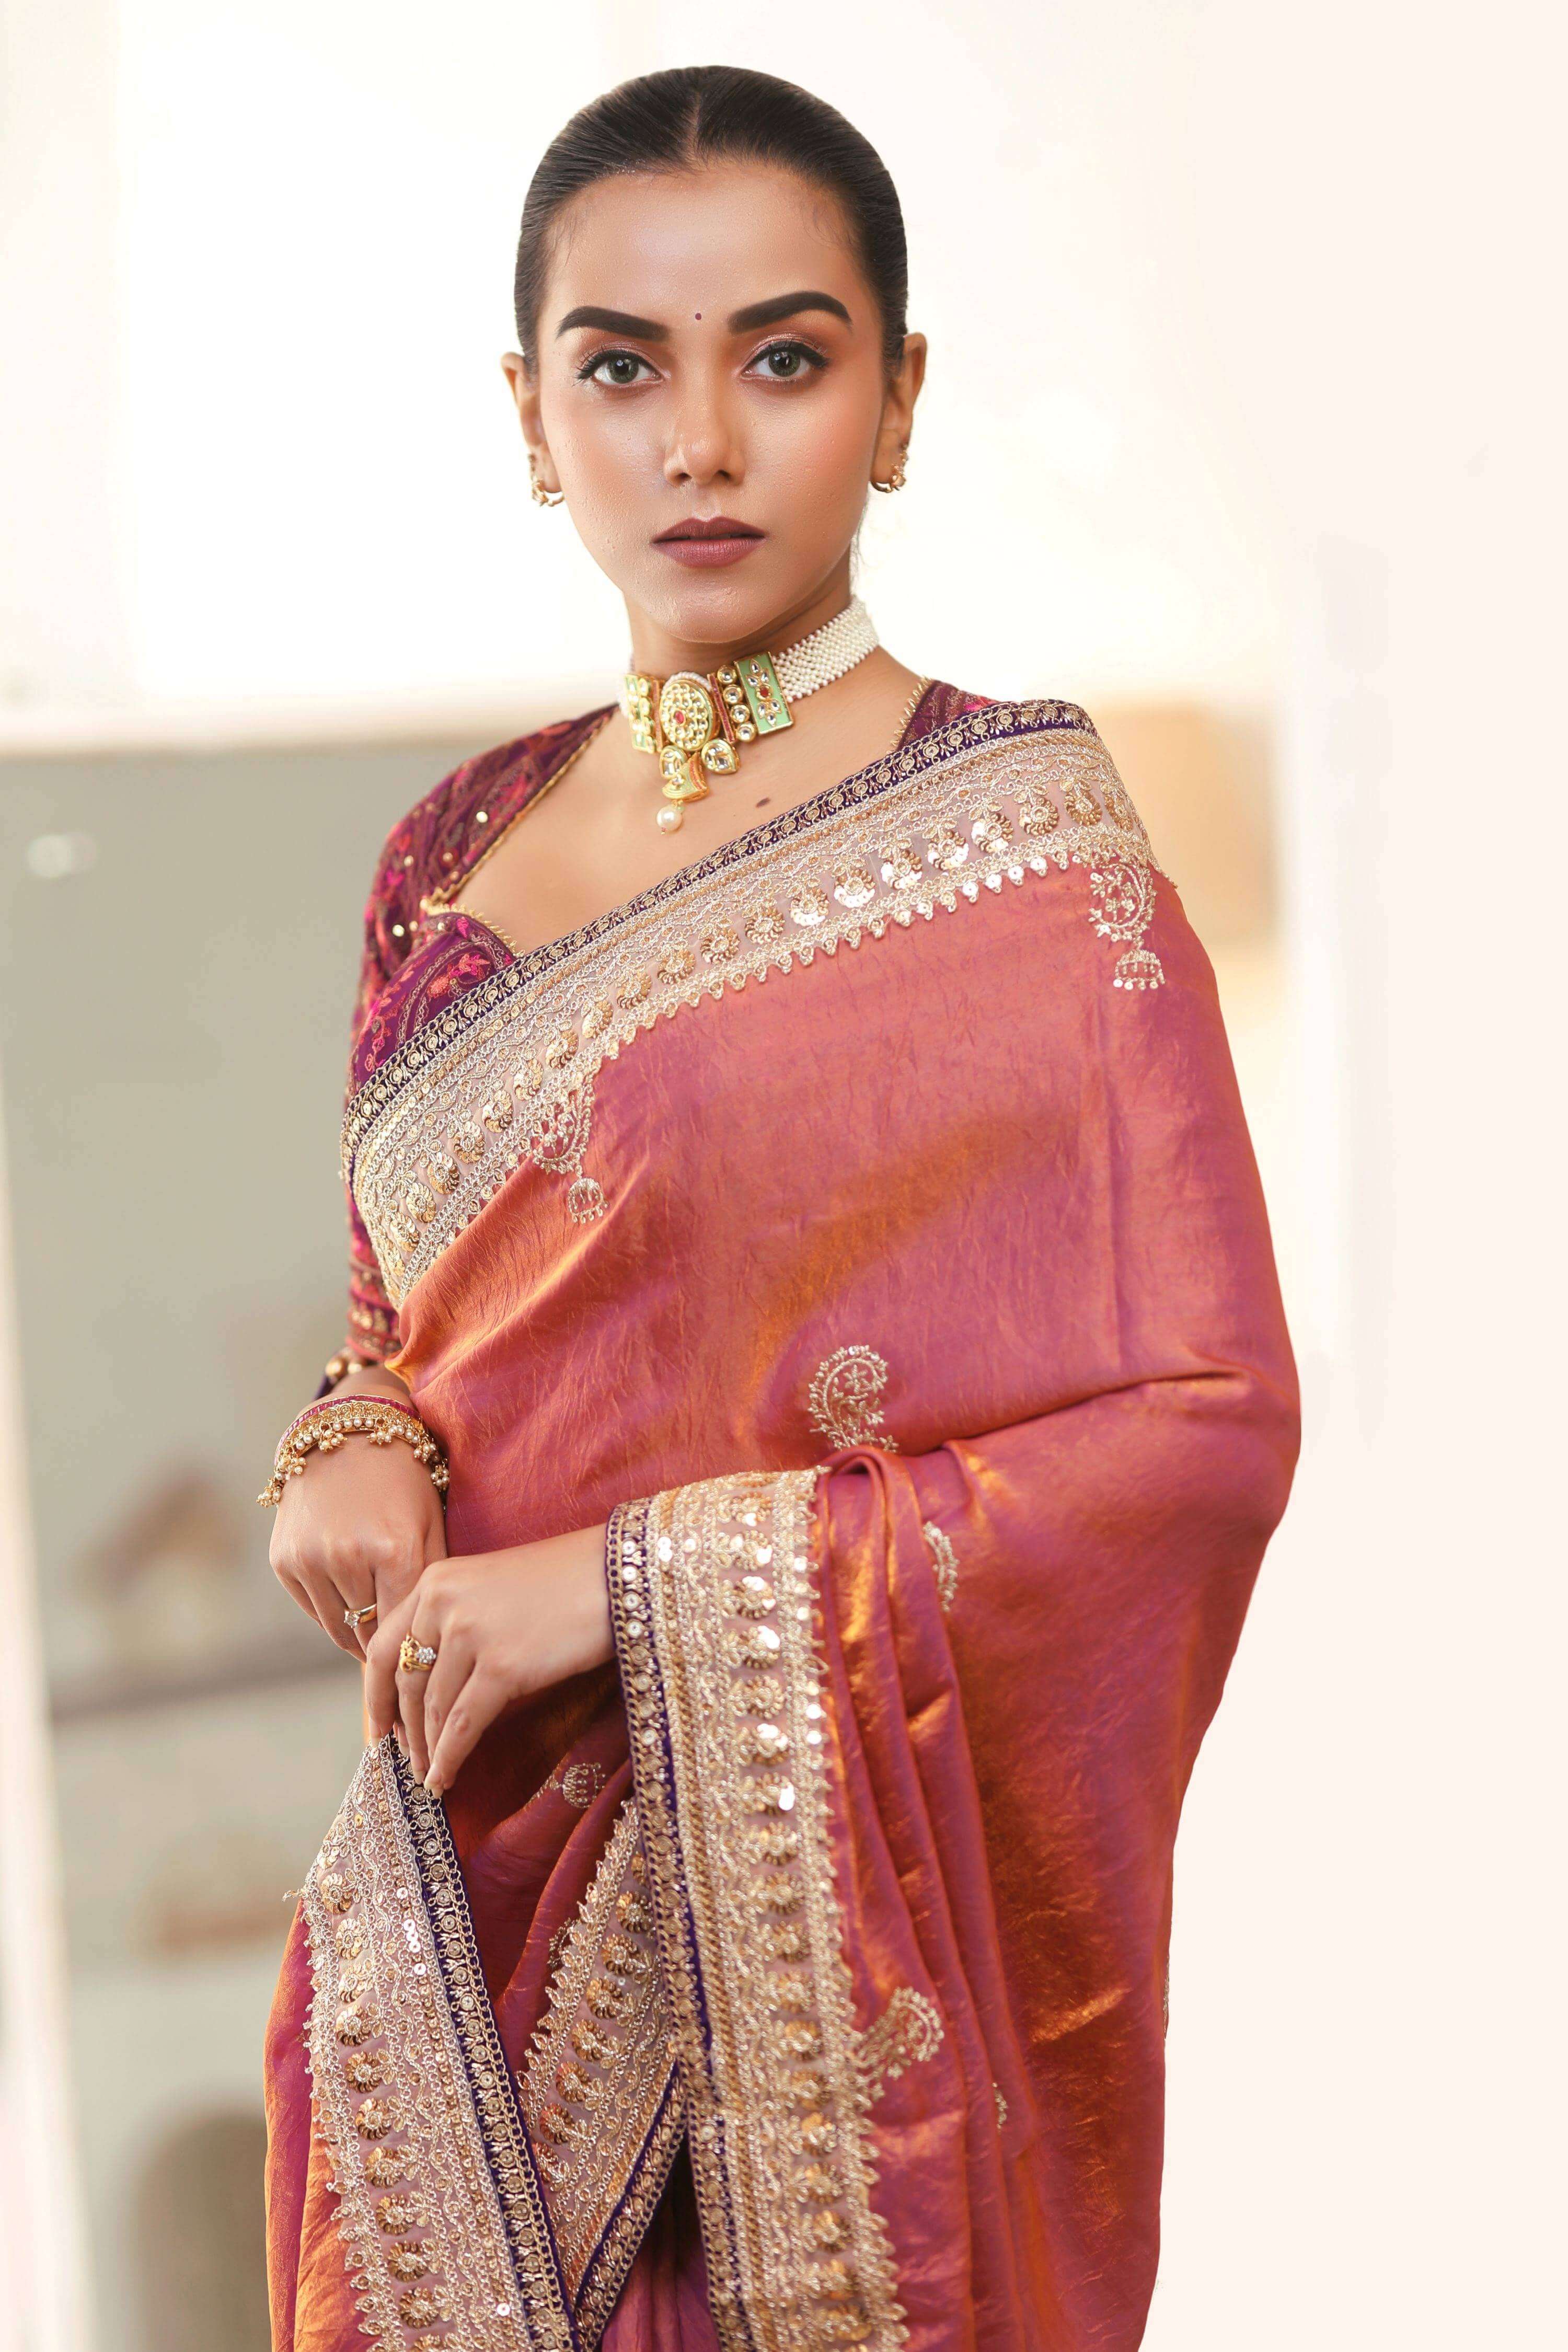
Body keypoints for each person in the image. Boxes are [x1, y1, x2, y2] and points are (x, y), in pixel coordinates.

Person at [260, 64, 1298, 2352]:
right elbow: (411, 1301)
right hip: (463, 1929)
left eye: (787, 357)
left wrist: (627, 1597)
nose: (699, 442)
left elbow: (1204, 1426)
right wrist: (361, 1436)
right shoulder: (446, 851)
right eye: (622, 366)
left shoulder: (1030, 846)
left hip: (812, 2017)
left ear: (901, 400)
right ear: (533, 415)